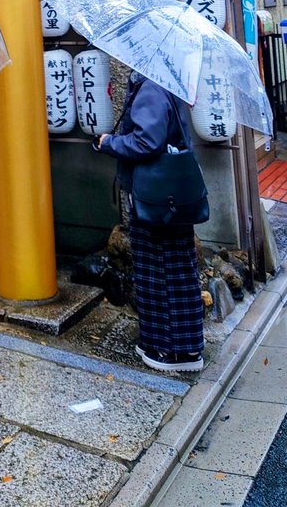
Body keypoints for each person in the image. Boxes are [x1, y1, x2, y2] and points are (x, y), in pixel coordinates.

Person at [96, 71, 205, 374]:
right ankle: (188, 344)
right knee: (178, 268)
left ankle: (166, 349)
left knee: (156, 270)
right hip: (173, 195)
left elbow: (147, 141)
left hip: (155, 196)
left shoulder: (152, 88)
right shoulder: (169, 82)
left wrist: (109, 142)